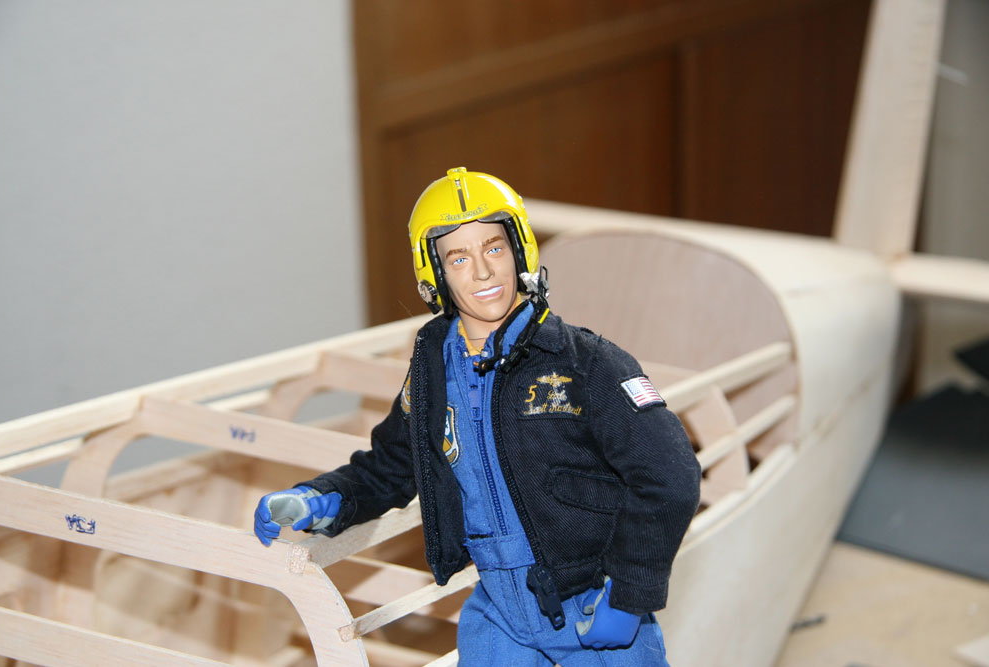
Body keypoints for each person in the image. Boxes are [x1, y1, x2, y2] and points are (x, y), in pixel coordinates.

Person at [254, 168, 701, 666]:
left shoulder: (584, 363)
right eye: (459, 257)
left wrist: (629, 592)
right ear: (435, 273)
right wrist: (321, 499)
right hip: (499, 608)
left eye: (493, 248)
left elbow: (670, 473)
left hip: (588, 598)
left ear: (519, 249)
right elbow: (392, 465)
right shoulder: (432, 373)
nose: (483, 272)